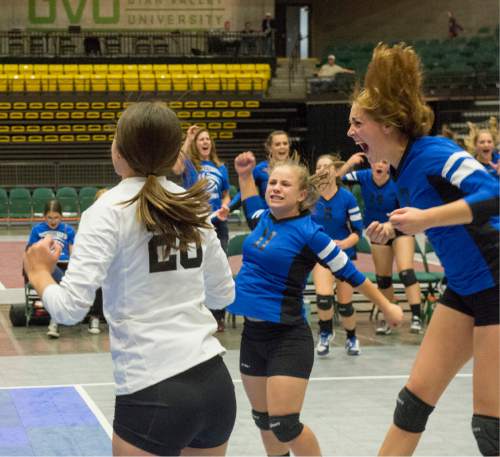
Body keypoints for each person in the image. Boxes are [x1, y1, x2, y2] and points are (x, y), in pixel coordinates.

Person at [24, 101, 236, 456]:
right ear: (175, 155)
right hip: (214, 385)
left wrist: (39, 273)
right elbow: (222, 295)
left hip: (153, 389)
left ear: (117, 152)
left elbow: (69, 309)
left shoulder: (108, 211)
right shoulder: (191, 204)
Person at [347, 42, 499, 456]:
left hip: (496, 281)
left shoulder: (434, 153)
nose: (350, 132)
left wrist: (423, 221)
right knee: (412, 403)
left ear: (387, 124)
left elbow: (494, 193)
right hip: (467, 287)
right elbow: (431, 213)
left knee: (491, 428)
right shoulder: (402, 171)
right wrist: (393, 228)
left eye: (357, 122)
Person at [228, 151, 403, 456]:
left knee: (284, 423)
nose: (275, 188)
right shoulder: (263, 219)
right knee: (264, 420)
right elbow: (251, 203)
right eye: (272, 182)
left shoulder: (311, 234)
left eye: (284, 184)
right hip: (252, 336)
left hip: (286, 338)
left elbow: (351, 273)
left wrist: (387, 307)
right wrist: (244, 176)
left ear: (302, 194)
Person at [338, 153, 424, 334]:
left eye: (384, 161)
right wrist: (349, 163)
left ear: (389, 166)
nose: (380, 165)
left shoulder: (397, 179)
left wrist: (391, 224)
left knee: (405, 271)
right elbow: (335, 178)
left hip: (399, 228)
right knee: (383, 278)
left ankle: (417, 316)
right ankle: (390, 317)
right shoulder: (363, 176)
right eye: (376, 161)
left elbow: (407, 208)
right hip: (376, 231)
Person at [311, 155, 364, 356]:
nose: (323, 170)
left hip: (343, 255)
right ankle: (325, 333)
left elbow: (358, 232)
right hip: (320, 255)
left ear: (335, 171)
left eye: (327, 166)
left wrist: (344, 244)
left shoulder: (347, 198)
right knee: (324, 298)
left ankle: (351, 337)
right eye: (319, 167)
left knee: (345, 304)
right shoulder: (309, 197)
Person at [27, 199, 75, 338]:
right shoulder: (37, 230)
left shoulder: (68, 230)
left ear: (61, 217)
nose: (53, 221)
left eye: (56, 217)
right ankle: (56, 319)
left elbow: (74, 254)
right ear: (44, 217)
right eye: (49, 217)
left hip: (64, 266)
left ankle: (54, 321)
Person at [229, 130, 295, 212]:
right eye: (277, 144)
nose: (282, 147)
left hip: (291, 218)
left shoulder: (297, 170)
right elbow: (243, 192)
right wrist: (229, 208)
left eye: (285, 143)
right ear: (270, 148)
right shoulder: (260, 169)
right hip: (267, 219)